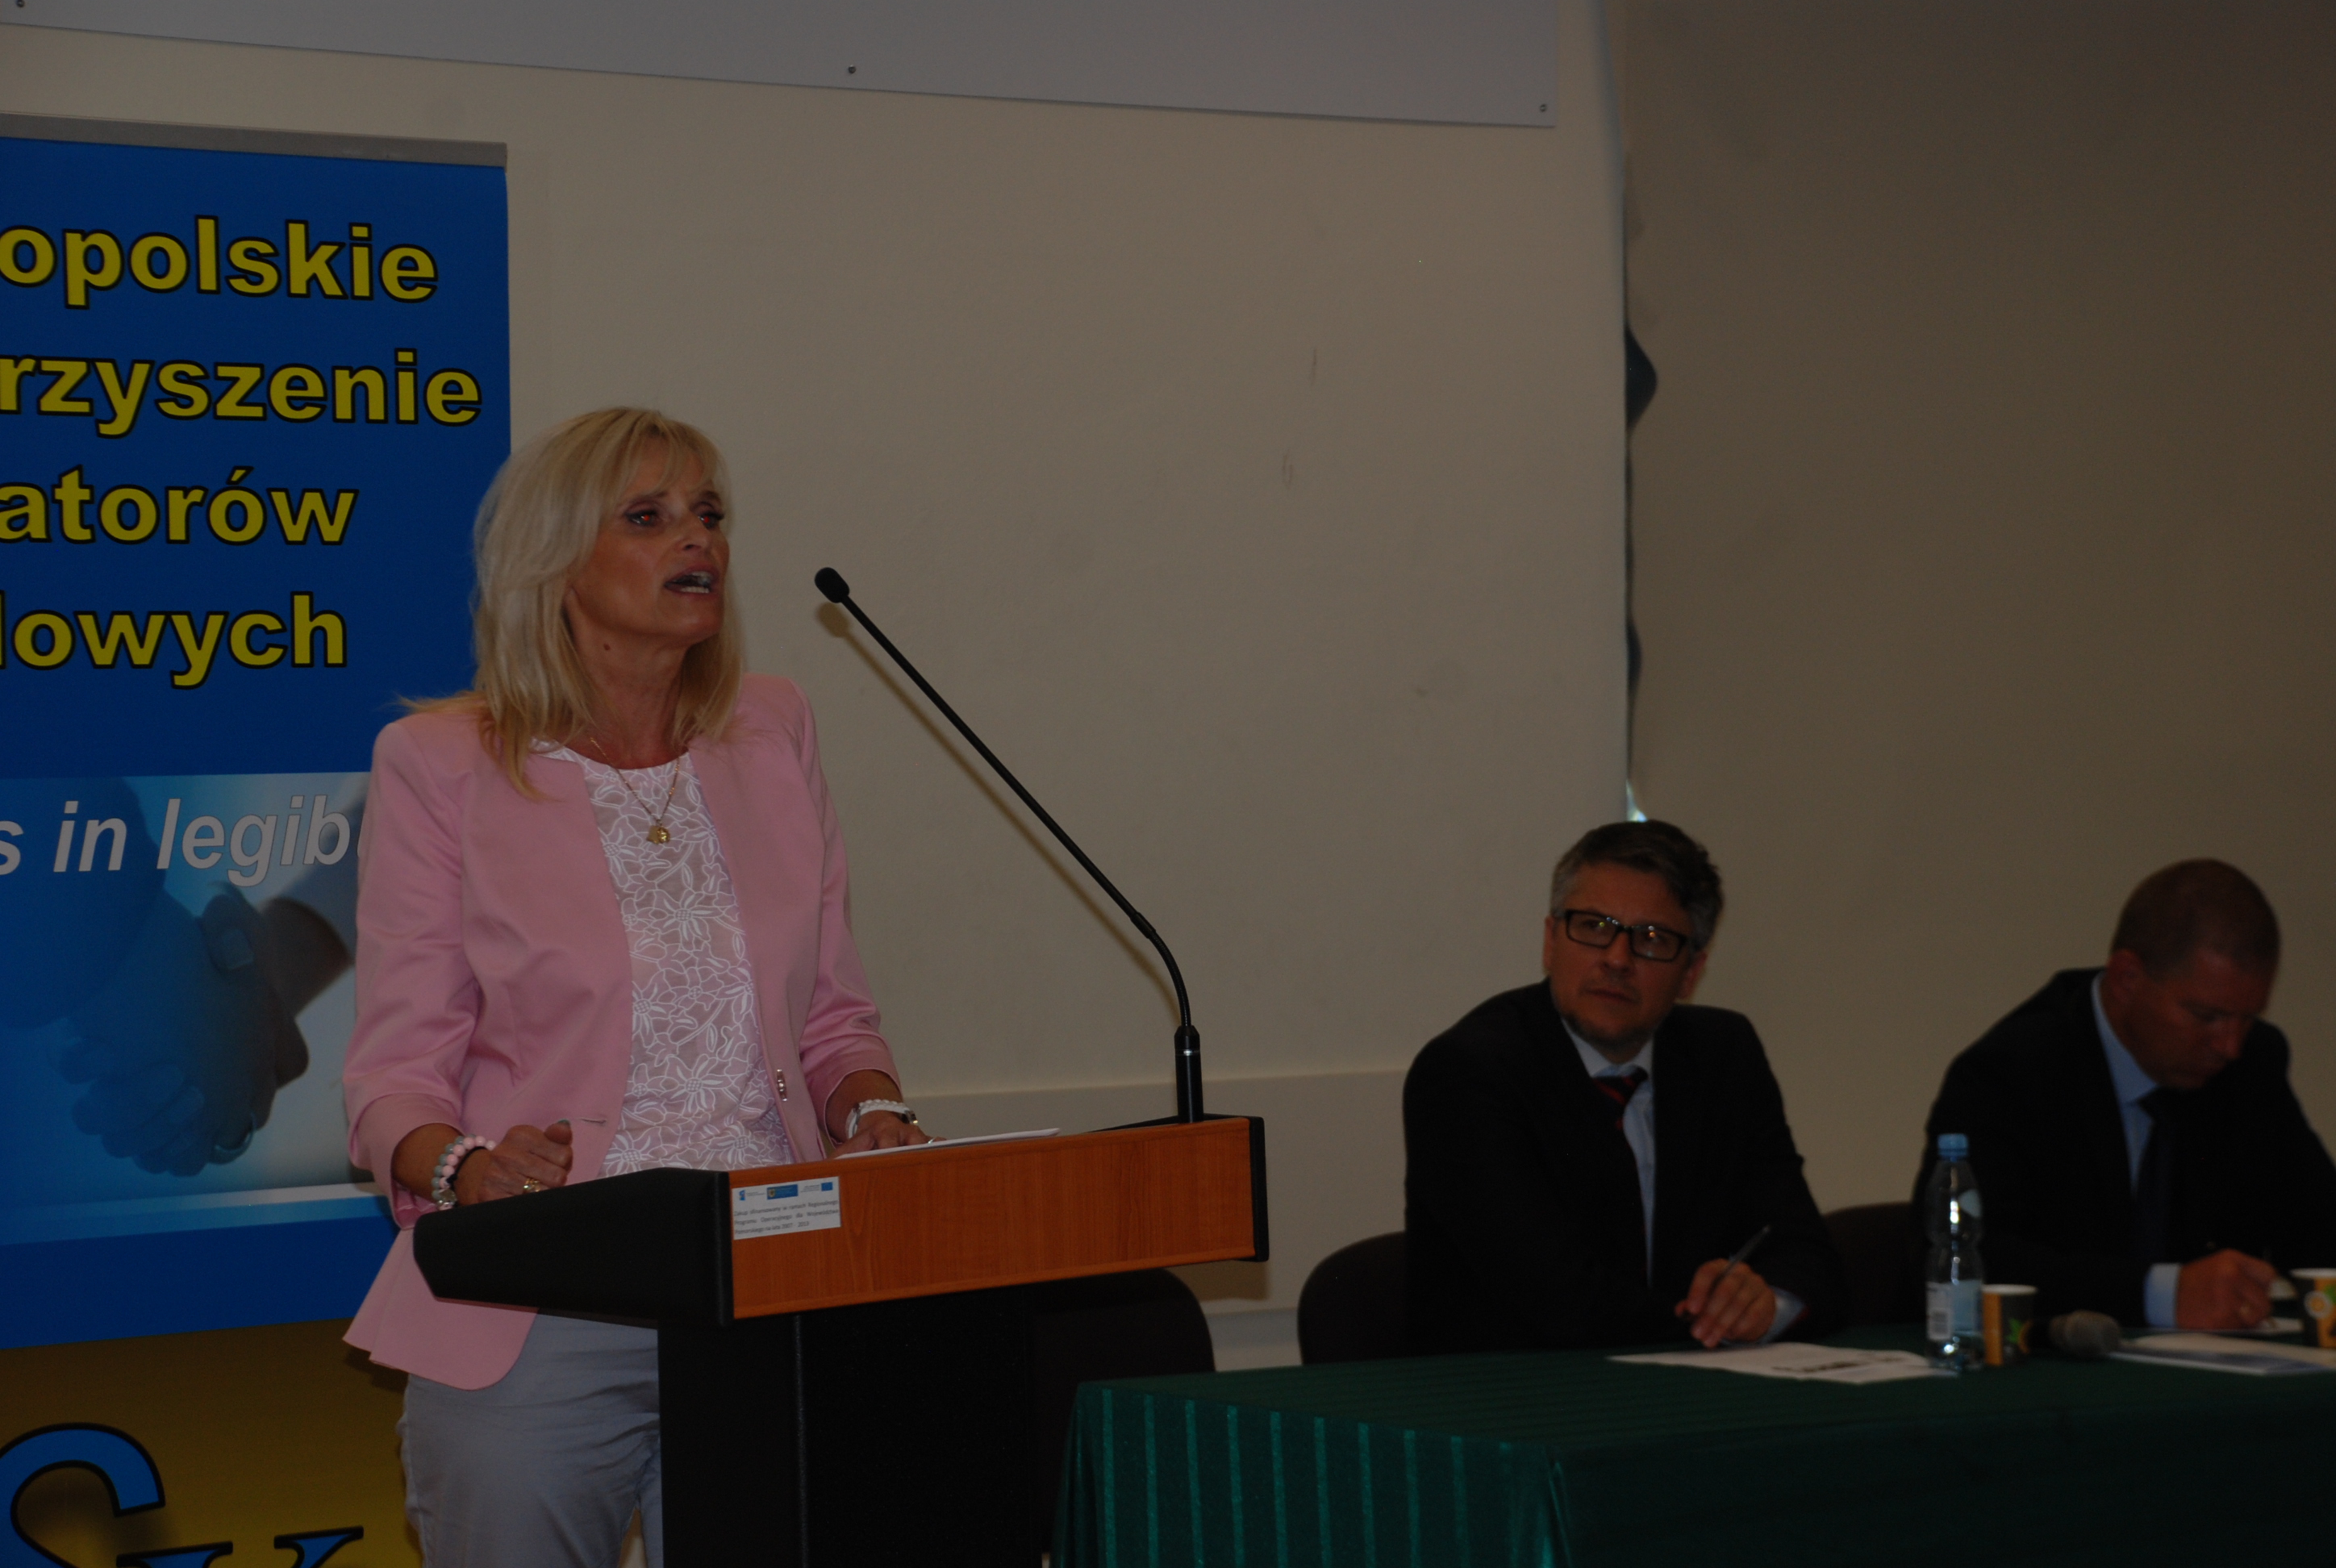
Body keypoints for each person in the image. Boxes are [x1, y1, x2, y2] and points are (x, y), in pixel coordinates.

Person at [341, 408, 928, 1566]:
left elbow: (833, 1018)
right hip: (544, 1296)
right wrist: (465, 1169)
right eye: (649, 517)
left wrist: (873, 1109)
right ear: (557, 562)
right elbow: (393, 1077)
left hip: (773, 1281)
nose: (696, 539)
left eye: (709, 514)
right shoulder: (442, 765)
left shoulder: (772, 729)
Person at [1404, 820, 1846, 1353]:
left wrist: (1766, 1304)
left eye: (1652, 940)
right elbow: (1557, 1301)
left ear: (1691, 972)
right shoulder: (1470, 1072)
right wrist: (1709, 1328)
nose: (1617, 959)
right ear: (1550, 941)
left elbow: (1804, 1253)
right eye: (1593, 926)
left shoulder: (1724, 1056)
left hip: (1686, 1382)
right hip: (1515, 1388)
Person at [1917, 860, 2336, 1328]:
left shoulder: (2251, 1065)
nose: (2230, 1046)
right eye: (2207, 1016)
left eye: (2248, 1018)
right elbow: (1970, 1259)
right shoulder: (2013, 1072)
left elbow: (2318, 1226)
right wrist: (2162, 1294)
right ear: (2127, 979)